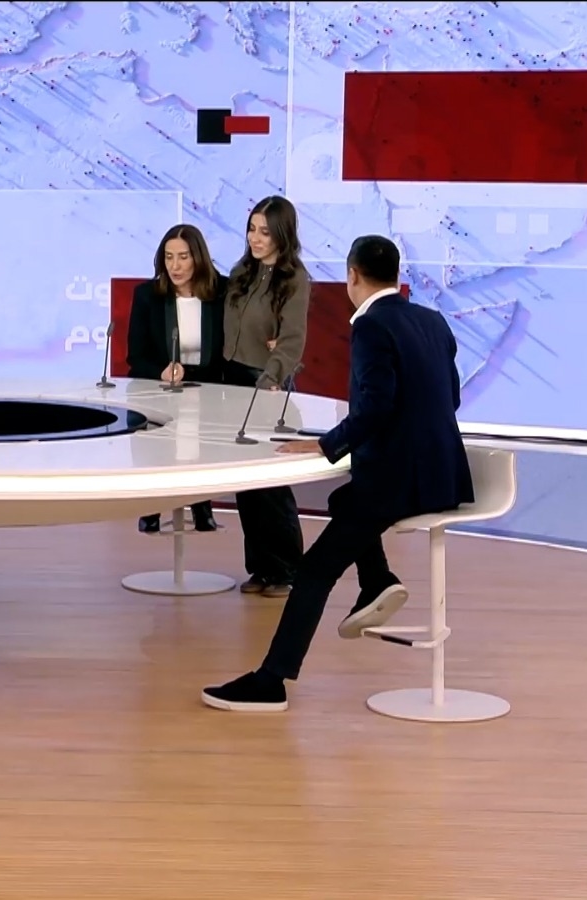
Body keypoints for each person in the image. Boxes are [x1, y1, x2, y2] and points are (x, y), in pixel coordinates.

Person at [202, 235, 474, 712]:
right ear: (396, 274)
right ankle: (377, 581)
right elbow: (449, 398)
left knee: (313, 571)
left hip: (398, 483)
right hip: (445, 477)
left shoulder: (371, 326)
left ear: (352, 275)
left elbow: (376, 406)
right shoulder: (432, 320)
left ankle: (271, 682)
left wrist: (326, 444)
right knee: (343, 501)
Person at [222, 196, 310, 598]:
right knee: (246, 482)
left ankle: (287, 570)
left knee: (271, 484)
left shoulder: (294, 280)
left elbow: (292, 340)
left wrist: (272, 375)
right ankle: (260, 568)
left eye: (265, 232)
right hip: (232, 381)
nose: (255, 238)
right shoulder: (242, 272)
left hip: (267, 384)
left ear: (282, 235)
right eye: (251, 229)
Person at [126, 223, 227, 534]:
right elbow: (136, 357)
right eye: (169, 257)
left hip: (208, 387)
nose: (175, 266)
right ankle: (152, 505)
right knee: (163, 437)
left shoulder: (222, 292)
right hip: (162, 388)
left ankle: (201, 503)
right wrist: (162, 370)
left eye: (183, 257)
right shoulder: (148, 295)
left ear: (198, 258)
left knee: (200, 434)